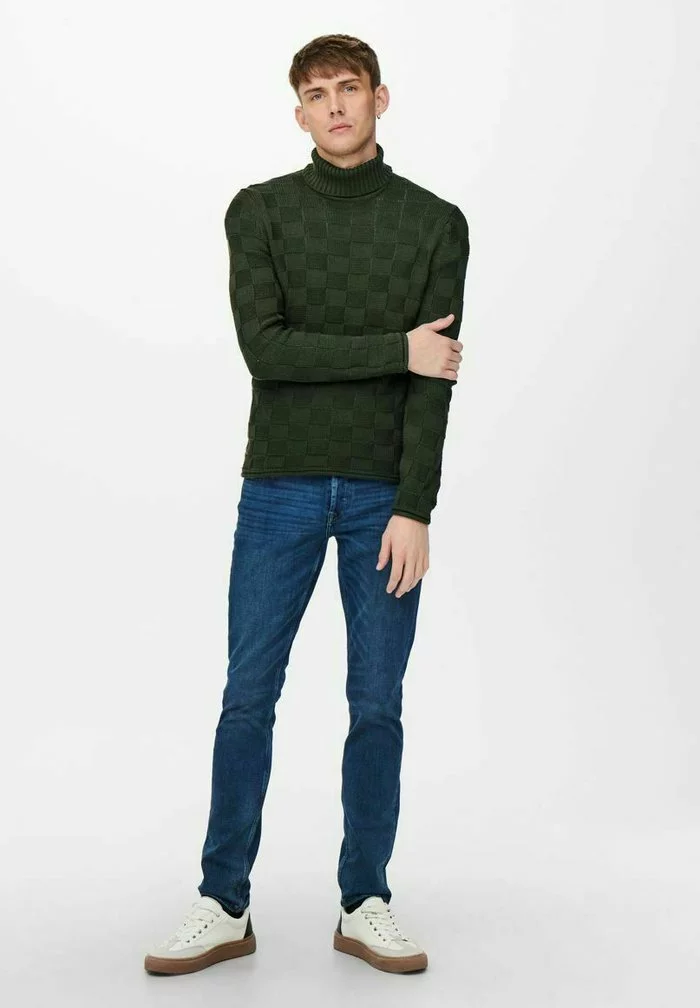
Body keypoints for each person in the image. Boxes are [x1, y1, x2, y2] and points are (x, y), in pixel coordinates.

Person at [143, 32, 470, 977]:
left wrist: (416, 507)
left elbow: (436, 381)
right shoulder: (261, 212)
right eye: (318, 94)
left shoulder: (435, 223)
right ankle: (223, 902)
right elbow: (269, 351)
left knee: (377, 702)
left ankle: (366, 900)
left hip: (383, 498)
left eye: (349, 89)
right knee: (248, 695)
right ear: (299, 113)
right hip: (279, 487)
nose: (335, 106)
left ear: (379, 99)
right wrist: (396, 348)